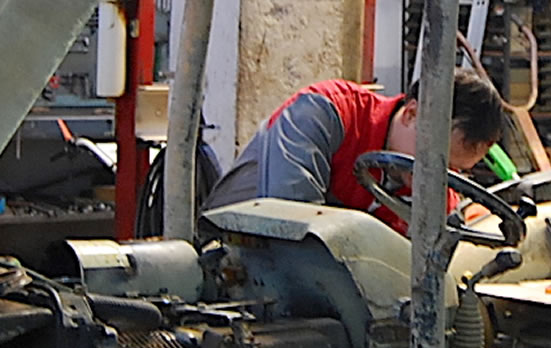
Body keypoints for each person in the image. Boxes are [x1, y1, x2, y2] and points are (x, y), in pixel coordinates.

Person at [202, 69, 505, 234]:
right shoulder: (322, 114)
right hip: (234, 258)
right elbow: (291, 227)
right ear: (412, 114)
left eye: (456, 172)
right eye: (440, 164)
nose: (441, 184)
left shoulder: (431, 190)